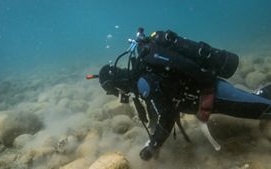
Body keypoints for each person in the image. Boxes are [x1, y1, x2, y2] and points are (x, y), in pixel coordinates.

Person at [94, 28, 271, 161]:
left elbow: (167, 115)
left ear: (117, 85)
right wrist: (155, 137)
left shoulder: (144, 82)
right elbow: (156, 110)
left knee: (265, 110)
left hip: (213, 94)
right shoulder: (143, 76)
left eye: (115, 92)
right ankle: (261, 94)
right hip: (208, 93)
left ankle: (262, 97)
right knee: (257, 101)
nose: (119, 96)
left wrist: (153, 145)